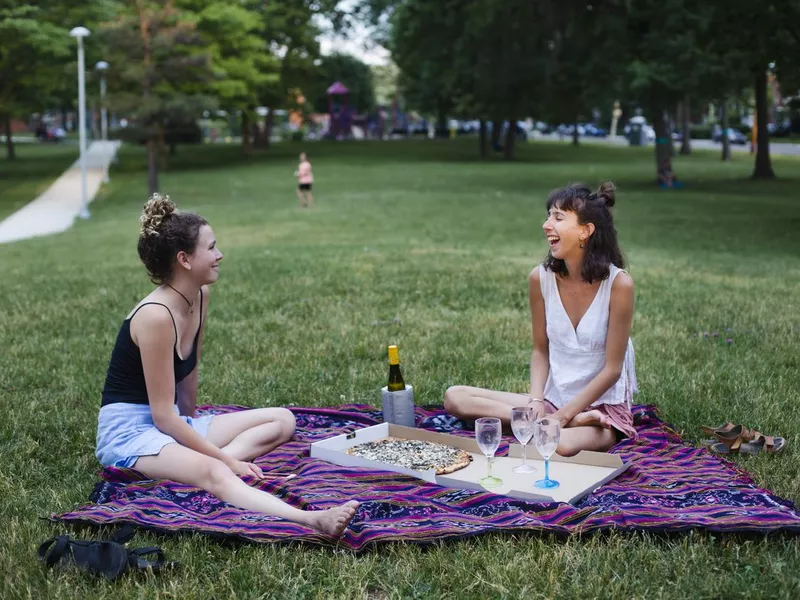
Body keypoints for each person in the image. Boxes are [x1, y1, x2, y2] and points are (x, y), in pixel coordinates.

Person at [96, 194, 358, 537]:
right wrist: (225, 461)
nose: (219, 255)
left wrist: (195, 431)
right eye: (212, 247)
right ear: (185, 259)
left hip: (170, 421)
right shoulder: (156, 317)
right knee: (215, 471)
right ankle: (312, 520)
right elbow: (163, 416)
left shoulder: (199, 296)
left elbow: (186, 383)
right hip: (129, 433)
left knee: (283, 420)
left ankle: (209, 466)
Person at [444, 182, 638, 457]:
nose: (547, 225)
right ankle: (561, 422)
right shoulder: (540, 278)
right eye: (549, 215)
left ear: (586, 230)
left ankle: (565, 424)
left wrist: (561, 417)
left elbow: (612, 370)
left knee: (551, 444)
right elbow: (540, 349)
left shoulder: (619, 285)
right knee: (455, 397)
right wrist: (536, 401)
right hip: (552, 401)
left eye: (558, 217)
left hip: (601, 409)